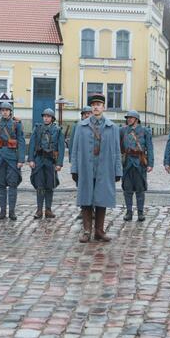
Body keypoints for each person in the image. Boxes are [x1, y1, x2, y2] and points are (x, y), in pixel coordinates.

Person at [71, 93, 121, 243]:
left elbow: (117, 151)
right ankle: (87, 231)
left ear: (103, 107)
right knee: (86, 198)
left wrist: (118, 170)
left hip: (104, 169)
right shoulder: (81, 126)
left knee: (102, 198)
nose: (96, 107)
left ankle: (99, 230)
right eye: (93, 105)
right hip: (86, 168)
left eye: (98, 105)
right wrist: (74, 168)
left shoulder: (113, 128)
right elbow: (75, 149)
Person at [0, 102, 25, 220]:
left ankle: (12, 211)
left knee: (13, 184)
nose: (4, 112)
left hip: (12, 158)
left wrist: (21, 159)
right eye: (2, 110)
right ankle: (2, 211)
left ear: (10, 111)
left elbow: (21, 142)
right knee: (1, 185)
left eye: (6, 110)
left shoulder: (17, 124)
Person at [28, 108, 65, 219]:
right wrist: (31, 159)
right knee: (40, 186)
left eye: (48, 116)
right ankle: (39, 210)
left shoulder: (57, 130)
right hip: (39, 160)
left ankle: (48, 209)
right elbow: (32, 144)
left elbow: (61, 148)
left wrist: (59, 163)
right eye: (44, 116)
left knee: (50, 186)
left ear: (52, 118)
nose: (46, 118)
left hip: (51, 162)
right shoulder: (37, 128)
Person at [120, 110, 154, 222]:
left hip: (140, 163)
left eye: (131, 117)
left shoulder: (144, 131)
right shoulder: (123, 130)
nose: (129, 119)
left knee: (140, 189)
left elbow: (149, 148)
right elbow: (118, 146)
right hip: (127, 162)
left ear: (136, 119)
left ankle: (140, 212)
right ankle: (129, 212)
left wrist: (150, 164)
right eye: (128, 118)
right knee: (127, 188)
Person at [69, 105, 92, 221]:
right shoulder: (77, 127)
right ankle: (83, 210)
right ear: (82, 115)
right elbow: (72, 145)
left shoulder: (95, 126)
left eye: (89, 113)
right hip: (80, 162)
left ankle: (92, 210)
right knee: (81, 188)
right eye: (85, 114)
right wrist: (73, 163)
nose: (87, 115)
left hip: (91, 163)